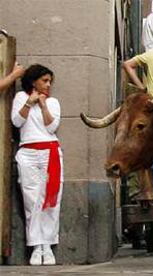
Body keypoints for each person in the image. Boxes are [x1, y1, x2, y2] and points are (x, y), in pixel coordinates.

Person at [11, 64, 62, 266]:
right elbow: (16, 122)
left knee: (50, 198)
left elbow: (52, 126)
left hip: (50, 152)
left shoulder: (53, 102)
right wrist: (29, 104)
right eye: (44, 80)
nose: (48, 85)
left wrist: (43, 106)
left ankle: (48, 245)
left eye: (50, 81)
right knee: (31, 199)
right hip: (28, 153)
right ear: (33, 81)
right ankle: (36, 246)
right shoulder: (20, 98)